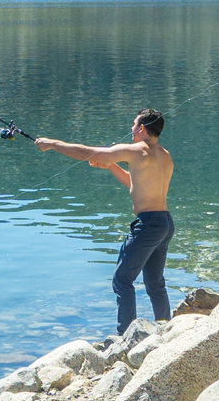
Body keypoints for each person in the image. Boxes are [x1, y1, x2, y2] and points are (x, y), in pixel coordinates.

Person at [37, 110, 175, 333]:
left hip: (148, 224)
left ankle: (126, 336)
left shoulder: (135, 150)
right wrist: (111, 166)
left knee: (122, 280)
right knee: (155, 284)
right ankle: (167, 329)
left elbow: (87, 152)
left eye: (133, 124)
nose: (131, 129)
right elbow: (137, 184)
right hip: (165, 222)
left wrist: (53, 143)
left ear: (142, 128)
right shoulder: (165, 155)